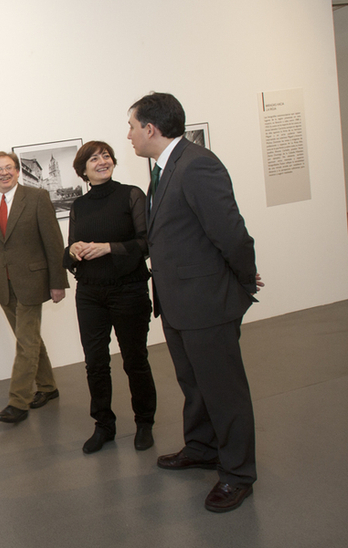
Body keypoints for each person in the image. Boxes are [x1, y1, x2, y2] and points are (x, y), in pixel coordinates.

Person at [127, 92, 263, 512]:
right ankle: (202, 447)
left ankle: (237, 473)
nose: (129, 136)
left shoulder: (197, 165)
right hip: (177, 303)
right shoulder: (164, 169)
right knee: (194, 385)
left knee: (224, 392)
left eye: (132, 127)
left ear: (151, 128)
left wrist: (243, 282)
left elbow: (231, 233)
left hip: (207, 303)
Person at [64, 141, 156, 454]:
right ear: (83, 169)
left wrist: (109, 248)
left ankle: (144, 422)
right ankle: (104, 425)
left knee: (135, 359)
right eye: (94, 158)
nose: (102, 161)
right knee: (95, 363)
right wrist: (73, 250)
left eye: (106, 156)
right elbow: (70, 251)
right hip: (90, 293)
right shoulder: (79, 206)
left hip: (128, 290)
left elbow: (146, 243)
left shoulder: (131, 195)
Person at [0, 151, 68, 423]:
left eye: (9, 167)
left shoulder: (37, 198)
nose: (4, 173)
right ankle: (48, 387)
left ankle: (18, 402)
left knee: (26, 343)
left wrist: (58, 282)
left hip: (32, 282)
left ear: (17, 171)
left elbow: (54, 243)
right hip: (4, 285)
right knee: (29, 339)